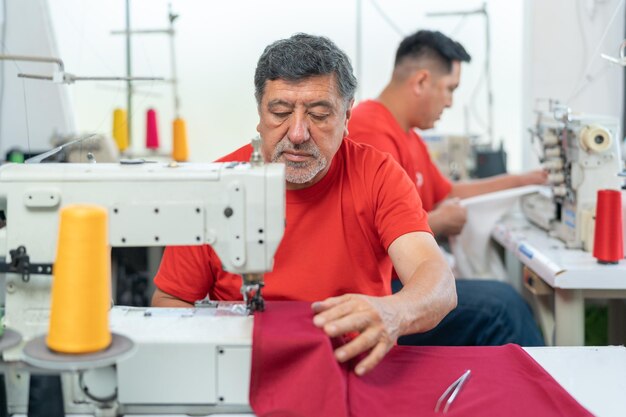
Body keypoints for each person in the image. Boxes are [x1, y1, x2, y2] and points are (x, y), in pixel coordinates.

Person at [152, 33, 457, 376]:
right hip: (244, 368)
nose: (297, 133)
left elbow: (437, 281)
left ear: (346, 118)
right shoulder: (217, 186)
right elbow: (171, 301)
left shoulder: (378, 175)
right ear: (259, 114)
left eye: (319, 114)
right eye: (280, 112)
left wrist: (396, 312)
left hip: (351, 368)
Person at [349, 30, 545, 346]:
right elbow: (375, 236)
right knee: (504, 307)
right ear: (422, 81)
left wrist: (523, 180)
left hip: (404, 280)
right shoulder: (371, 134)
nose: (451, 102)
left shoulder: (408, 137)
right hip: (386, 290)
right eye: (449, 89)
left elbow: (449, 192)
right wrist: (439, 222)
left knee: (506, 296)